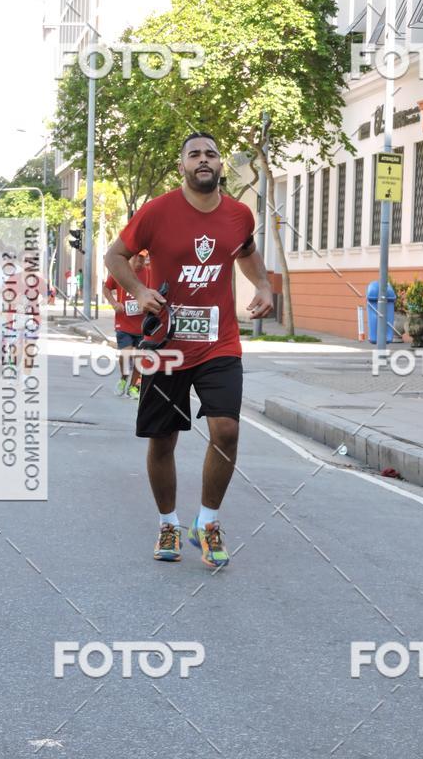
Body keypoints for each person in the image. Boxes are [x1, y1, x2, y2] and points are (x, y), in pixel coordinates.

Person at [105, 132, 273, 569]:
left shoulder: (238, 215)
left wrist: (264, 284)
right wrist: (139, 291)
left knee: (227, 432)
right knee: (163, 440)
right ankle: (168, 522)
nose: (204, 160)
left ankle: (209, 521)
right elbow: (115, 256)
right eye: (194, 154)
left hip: (220, 342)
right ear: (182, 165)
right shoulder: (156, 212)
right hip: (165, 346)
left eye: (211, 154)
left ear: (221, 166)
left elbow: (247, 252)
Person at [103, 251, 149, 399]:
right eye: (137, 257)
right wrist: (114, 303)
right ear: (131, 257)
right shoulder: (121, 272)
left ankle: (134, 386)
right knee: (126, 353)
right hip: (124, 323)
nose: (139, 261)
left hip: (143, 325)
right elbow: (106, 288)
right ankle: (124, 378)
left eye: (142, 257)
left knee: (139, 358)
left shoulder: (149, 273)